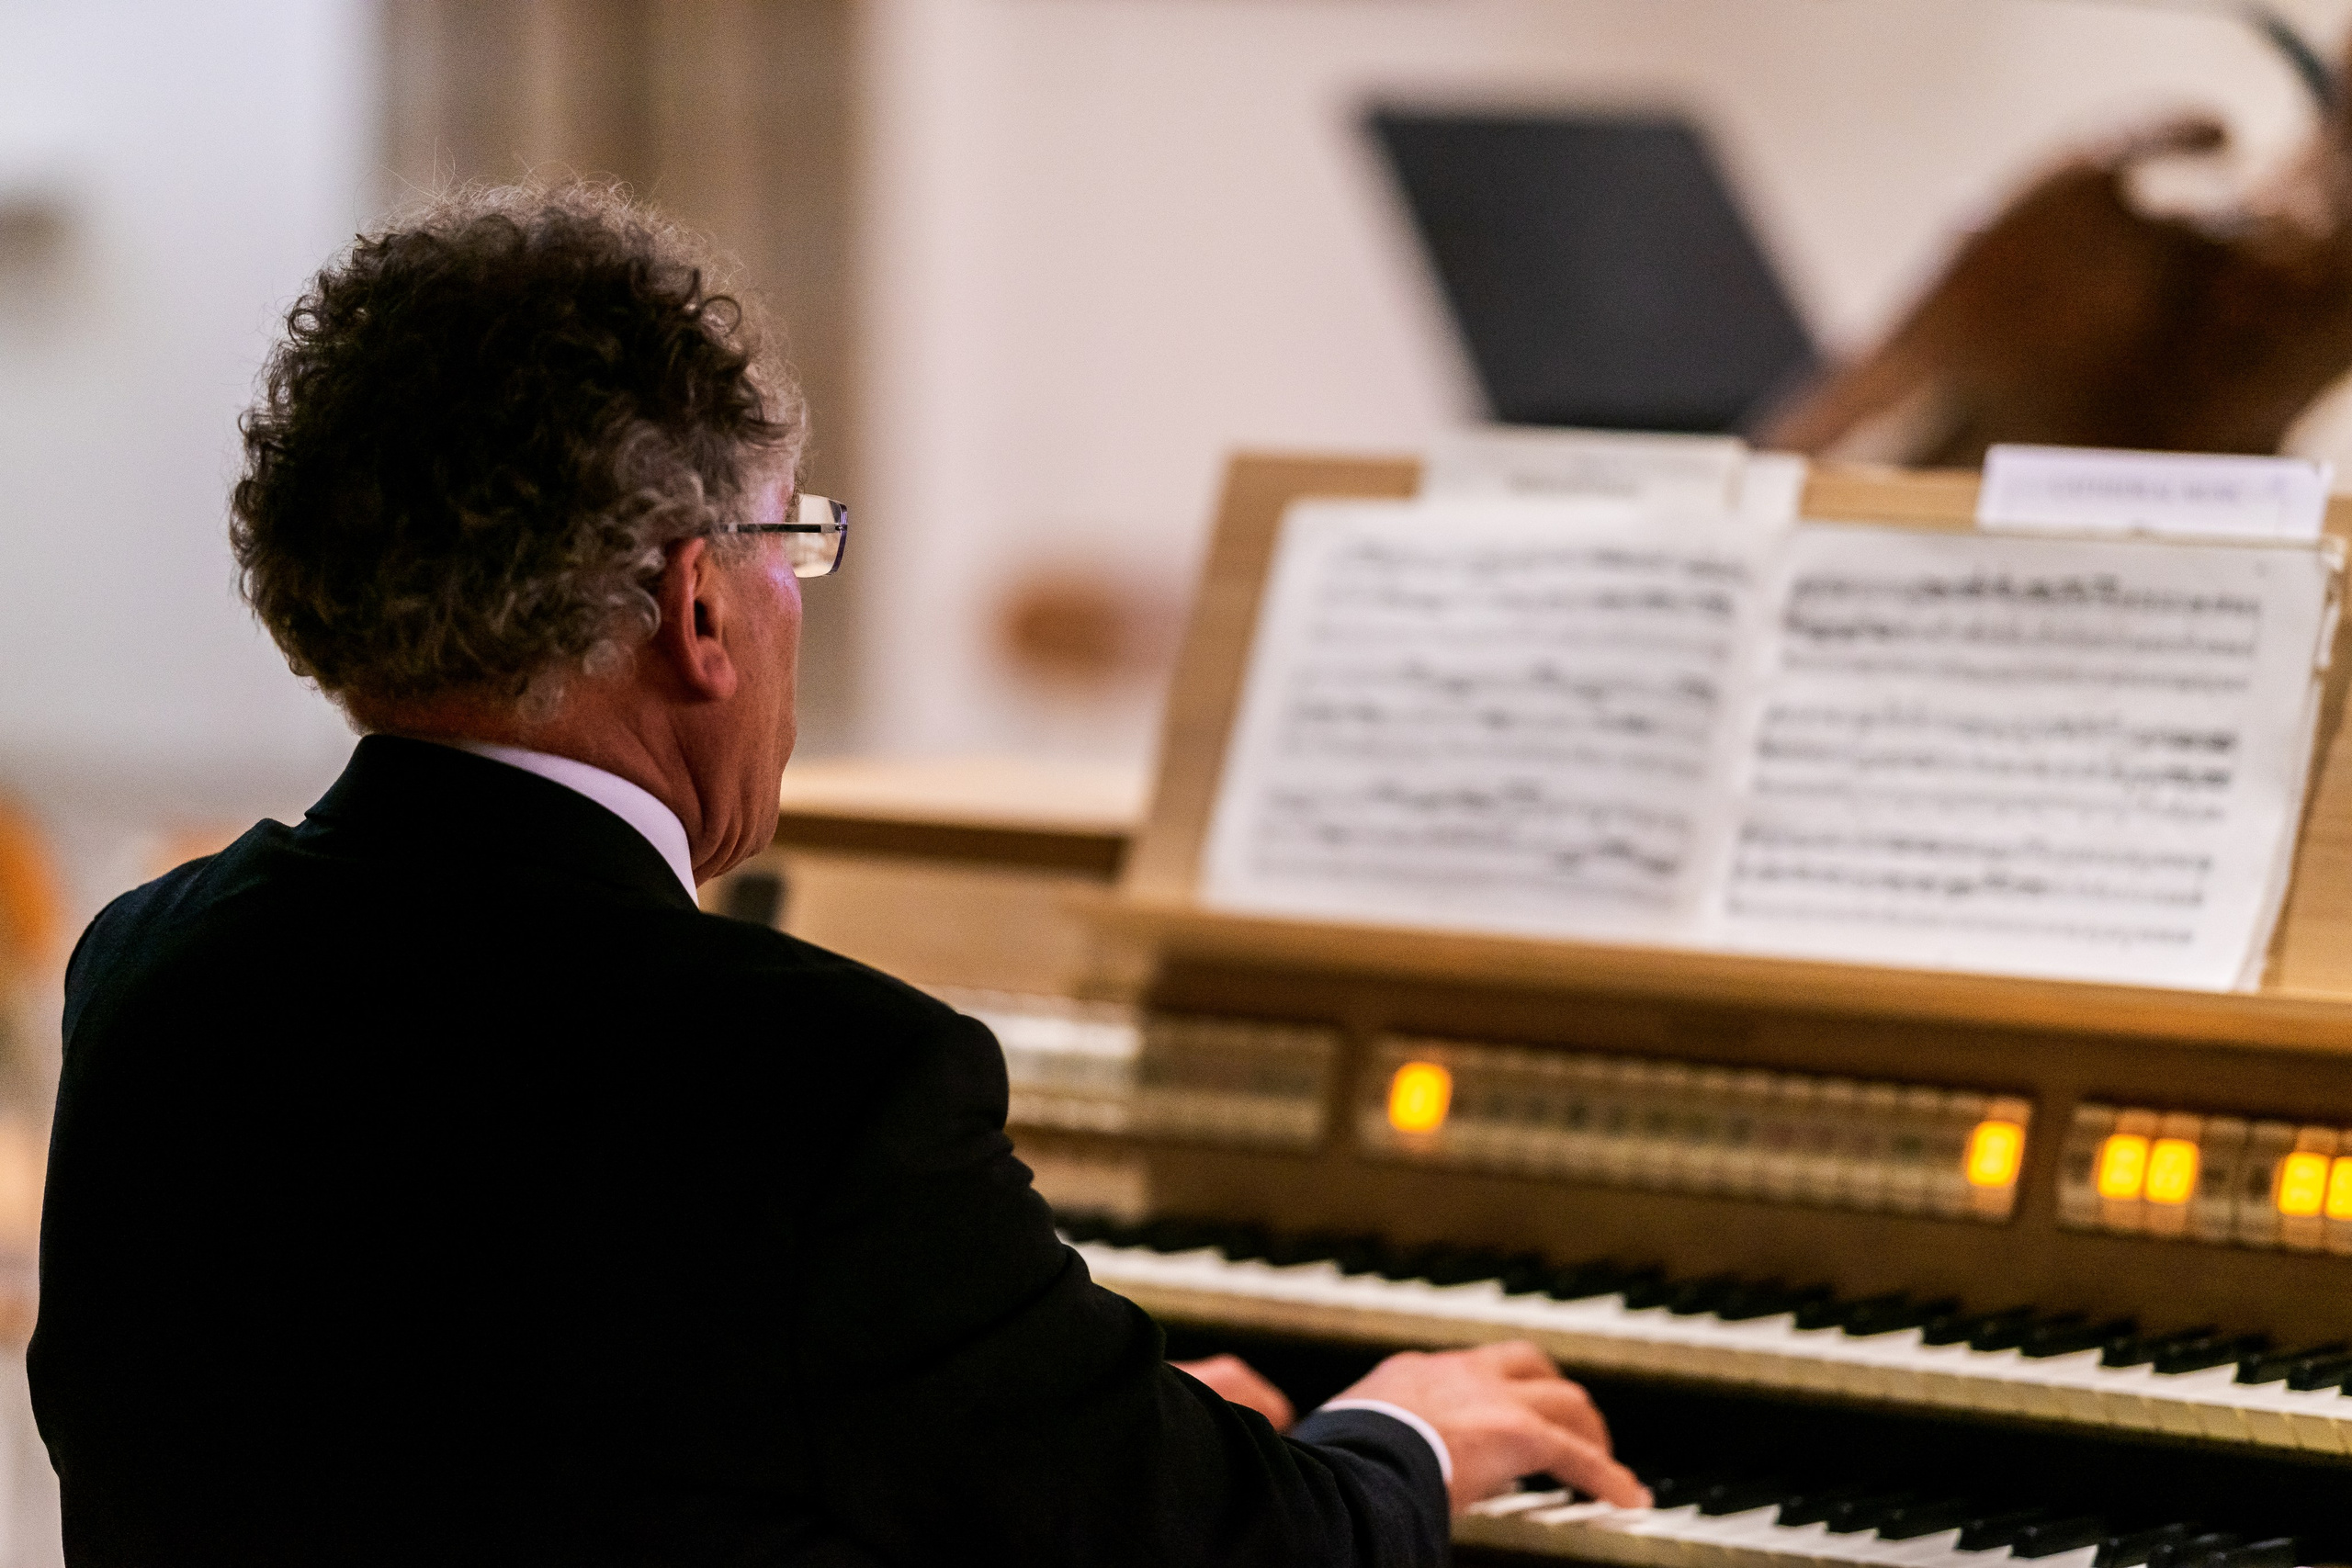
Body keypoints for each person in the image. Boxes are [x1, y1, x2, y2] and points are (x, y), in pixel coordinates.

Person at [28, 182, 1645, 1566]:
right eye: (786, 539)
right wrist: (1396, 1439)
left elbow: (487, 1445)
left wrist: (1090, 1434)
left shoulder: (151, 978)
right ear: (701, 614)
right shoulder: (808, 1082)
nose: (795, 587)